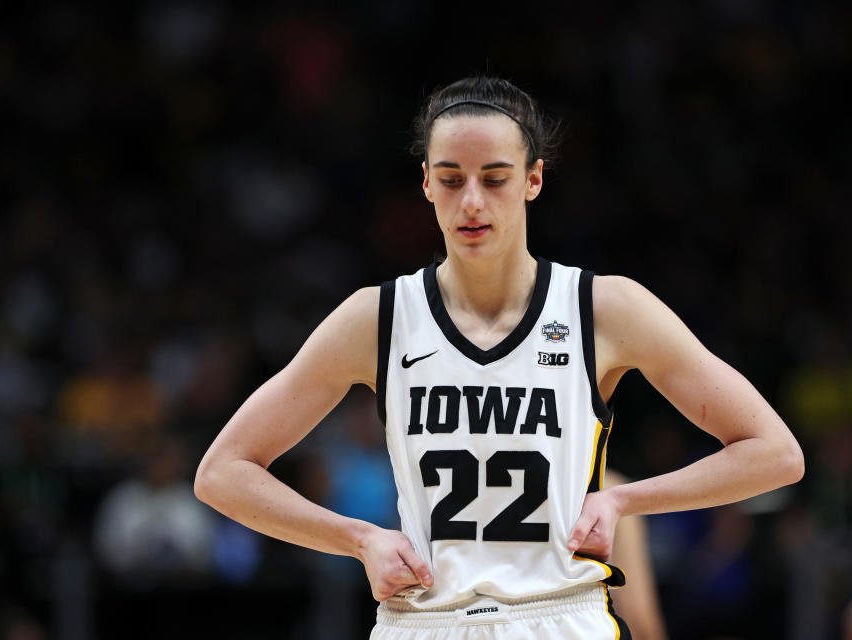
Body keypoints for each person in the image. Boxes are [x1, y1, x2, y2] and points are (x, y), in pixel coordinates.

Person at [194, 76, 804, 639]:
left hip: (559, 614)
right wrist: (358, 539)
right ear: (427, 182)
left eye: (495, 177)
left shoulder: (602, 308)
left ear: (533, 179)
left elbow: (773, 452)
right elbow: (222, 472)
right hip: (421, 620)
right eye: (452, 178)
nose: (472, 203)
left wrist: (625, 498)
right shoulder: (377, 317)